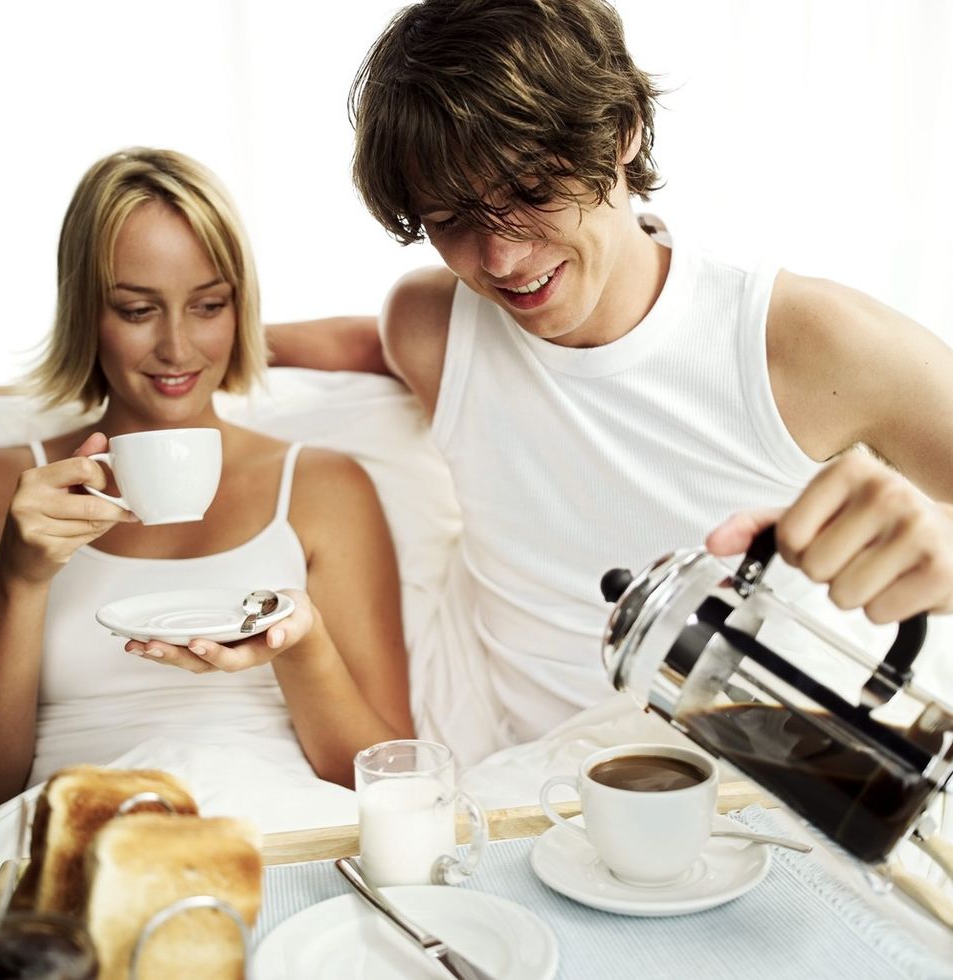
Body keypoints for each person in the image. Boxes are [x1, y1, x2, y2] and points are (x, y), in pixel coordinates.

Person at [268, 0, 953, 746]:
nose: (501, 262)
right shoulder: (430, 325)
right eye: (453, 220)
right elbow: (364, 346)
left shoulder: (805, 340)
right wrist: (184, 348)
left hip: (756, 786)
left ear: (622, 132)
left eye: (532, 192)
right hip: (524, 803)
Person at [0, 147, 413, 817]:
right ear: (86, 312)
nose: (178, 349)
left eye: (208, 305)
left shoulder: (324, 485)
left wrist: (299, 645)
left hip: (280, 833)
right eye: (137, 310)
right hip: (76, 842)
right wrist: (21, 579)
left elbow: (395, 781)